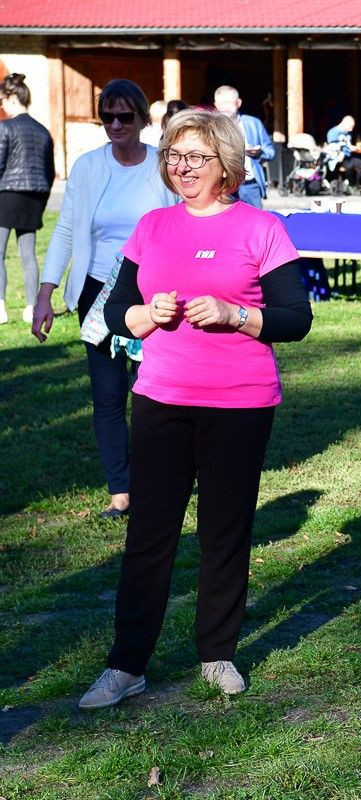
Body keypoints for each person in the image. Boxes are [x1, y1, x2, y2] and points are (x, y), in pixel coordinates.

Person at [77, 108, 313, 710]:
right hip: (160, 398)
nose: (183, 168)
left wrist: (237, 316)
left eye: (197, 158)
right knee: (149, 533)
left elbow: (296, 318)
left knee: (224, 532)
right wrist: (143, 317)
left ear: (226, 166)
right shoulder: (152, 227)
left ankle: (217, 653)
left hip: (240, 403)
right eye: (175, 157)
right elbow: (115, 312)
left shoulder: (262, 229)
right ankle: (126, 665)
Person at [33, 79, 176, 518]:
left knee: (154, 392)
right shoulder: (89, 166)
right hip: (97, 293)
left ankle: (159, 480)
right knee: (108, 395)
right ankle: (121, 490)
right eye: (107, 117)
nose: (115, 124)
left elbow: (180, 225)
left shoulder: (162, 166)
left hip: (151, 291)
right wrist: (45, 292)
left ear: (142, 119)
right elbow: (65, 231)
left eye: (124, 116)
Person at [0, 73, 54, 325]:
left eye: (3, 100)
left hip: (7, 195)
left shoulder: (5, 127)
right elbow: (49, 170)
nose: (2, 105)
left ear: (12, 98)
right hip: (35, 197)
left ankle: (0, 308)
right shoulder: (43, 131)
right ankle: (31, 306)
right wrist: (42, 201)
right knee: (28, 256)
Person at [213, 86, 275, 207]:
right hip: (223, 186)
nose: (224, 107)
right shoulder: (211, 126)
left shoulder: (253, 123)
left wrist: (258, 153)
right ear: (215, 105)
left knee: (256, 223)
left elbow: (270, 151)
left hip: (250, 185)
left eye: (228, 102)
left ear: (238, 103)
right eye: (221, 103)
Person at [325, 114, 361, 193]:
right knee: (352, 165)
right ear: (343, 123)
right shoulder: (333, 132)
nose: (351, 129)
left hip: (348, 157)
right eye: (350, 127)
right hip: (338, 159)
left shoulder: (348, 133)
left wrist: (352, 147)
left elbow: (347, 145)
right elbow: (333, 147)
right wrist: (344, 150)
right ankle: (351, 186)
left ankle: (353, 185)